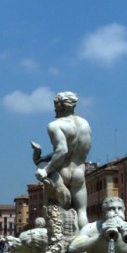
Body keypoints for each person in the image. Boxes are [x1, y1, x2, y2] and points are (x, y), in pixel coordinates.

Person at [32, 91, 92, 231]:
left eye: (55, 105)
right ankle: (83, 248)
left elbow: (62, 151)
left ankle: (55, 247)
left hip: (62, 174)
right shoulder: (85, 124)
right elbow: (73, 151)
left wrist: (45, 170)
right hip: (79, 173)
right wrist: (43, 158)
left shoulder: (55, 125)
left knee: (53, 213)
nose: (54, 108)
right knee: (82, 213)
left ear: (60, 105)